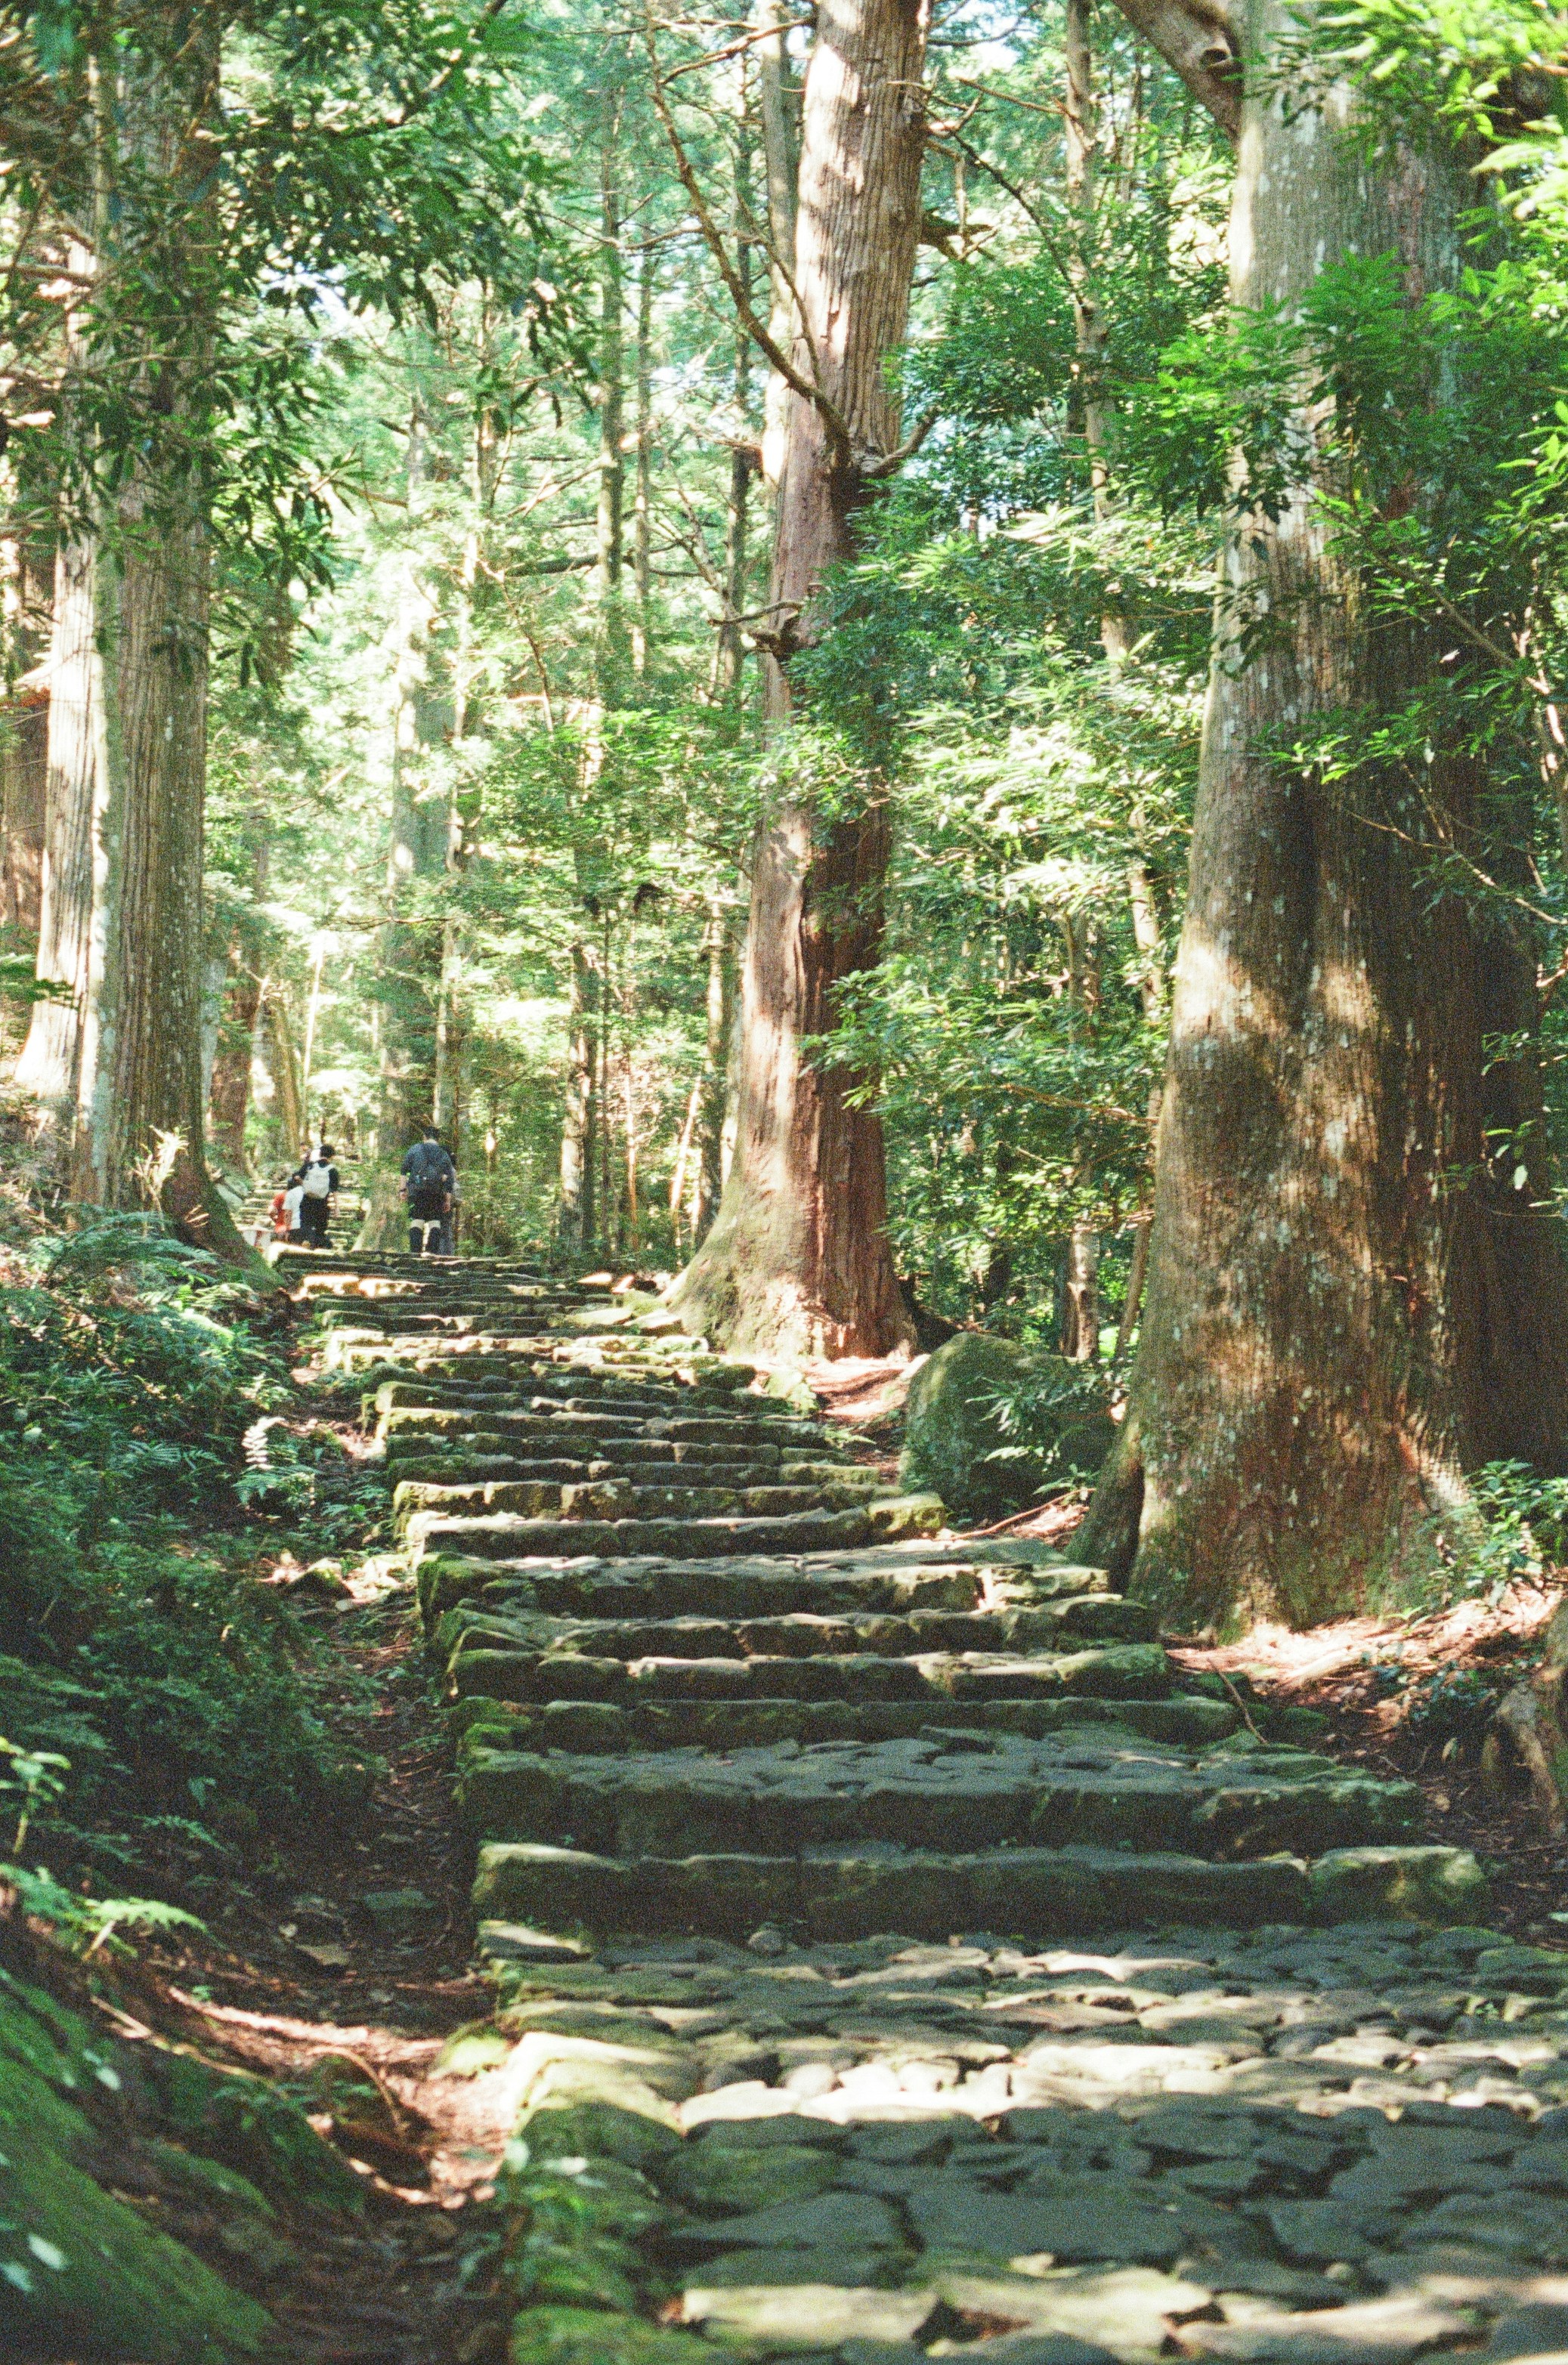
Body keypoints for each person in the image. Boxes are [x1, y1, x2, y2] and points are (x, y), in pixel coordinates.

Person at [402, 1127, 456, 1256]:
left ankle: (415, 1254)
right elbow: (449, 1180)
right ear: (438, 1139)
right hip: (436, 1192)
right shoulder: (443, 1153)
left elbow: (403, 1171)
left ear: (424, 1137)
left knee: (417, 1220)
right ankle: (431, 1254)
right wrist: (447, 1200)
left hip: (417, 1191)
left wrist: (402, 1190)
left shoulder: (415, 1149)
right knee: (435, 1222)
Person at [295, 1143, 339, 1247]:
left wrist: (305, 1184)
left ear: (320, 1154)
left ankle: (306, 1242)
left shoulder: (310, 1165)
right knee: (320, 1228)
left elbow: (297, 1177)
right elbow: (335, 1191)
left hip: (307, 1201)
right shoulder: (332, 1170)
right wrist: (337, 1208)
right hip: (322, 1204)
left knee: (306, 1224)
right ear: (332, 1156)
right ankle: (316, 1246)